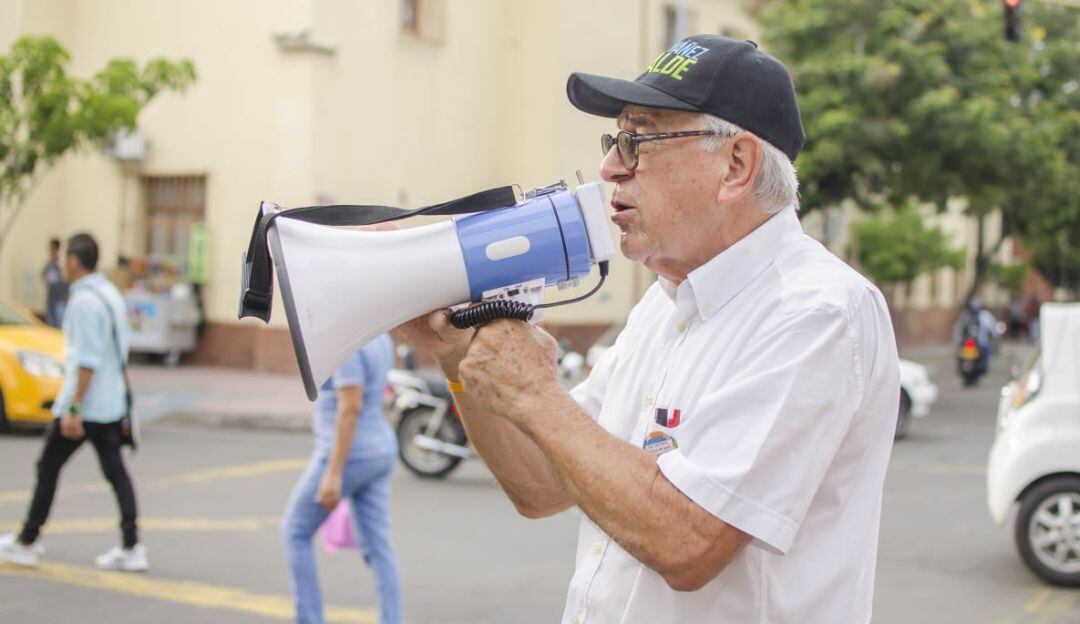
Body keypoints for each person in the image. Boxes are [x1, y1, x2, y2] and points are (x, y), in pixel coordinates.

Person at [393, 35, 899, 623]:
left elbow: (689, 542)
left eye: (639, 139)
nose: (611, 167)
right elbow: (541, 486)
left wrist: (534, 393)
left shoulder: (818, 313)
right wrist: (457, 354)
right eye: (615, 140)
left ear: (736, 164)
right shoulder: (666, 304)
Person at [0, 233, 146, 571]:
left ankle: (28, 540)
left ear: (75, 263)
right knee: (116, 473)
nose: (60, 264)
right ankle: (131, 546)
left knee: (48, 467)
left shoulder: (84, 301)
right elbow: (118, 351)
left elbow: (87, 360)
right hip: (110, 403)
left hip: (86, 406)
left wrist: (75, 407)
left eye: (64, 258)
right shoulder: (109, 293)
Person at [281, 333, 403, 624]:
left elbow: (351, 407)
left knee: (295, 531)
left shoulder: (346, 343)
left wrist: (333, 473)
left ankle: (309, 619)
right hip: (379, 447)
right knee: (378, 546)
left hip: (351, 453)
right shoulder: (380, 336)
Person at [41, 237, 69, 327]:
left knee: (60, 323)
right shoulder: (50, 263)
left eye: (53, 248)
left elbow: (66, 277)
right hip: (51, 298)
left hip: (60, 299)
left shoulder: (62, 262)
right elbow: (43, 275)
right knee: (51, 324)